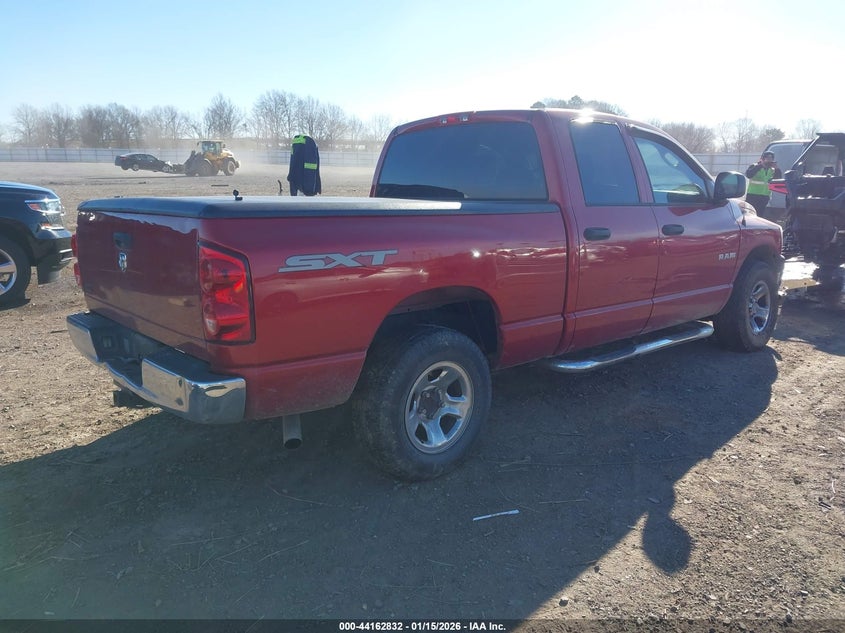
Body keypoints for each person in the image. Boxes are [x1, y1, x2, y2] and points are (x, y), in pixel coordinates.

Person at [745, 150, 783, 218]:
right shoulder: (754, 166)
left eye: (771, 159)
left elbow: (778, 179)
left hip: (764, 196)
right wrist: (760, 166)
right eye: (767, 158)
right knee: (749, 215)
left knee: (760, 216)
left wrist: (777, 169)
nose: (769, 160)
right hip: (753, 195)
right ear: (762, 159)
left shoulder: (772, 169)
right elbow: (748, 174)